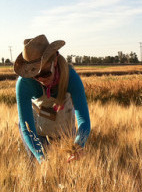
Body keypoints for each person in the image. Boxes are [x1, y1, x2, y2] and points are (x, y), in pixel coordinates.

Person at [13, 34, 90, 163]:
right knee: (39, 167)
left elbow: (83, 120)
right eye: (35, 76)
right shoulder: (24, 83)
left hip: (64, 131)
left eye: (44, 73)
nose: (41, 79)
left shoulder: (71, 77)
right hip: (36, 132)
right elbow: (27, 128)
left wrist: (78, 145)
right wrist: (41, 158)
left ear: (54, 60)